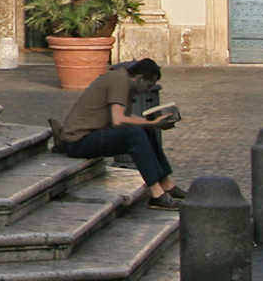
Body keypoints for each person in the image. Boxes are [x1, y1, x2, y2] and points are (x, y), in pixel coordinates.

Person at [54, 57, 185, 209]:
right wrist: (152, 123)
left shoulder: (124, 80)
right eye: (149, 86)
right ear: (140, 78)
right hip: (77, 142)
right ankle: (156, 194)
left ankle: (167, 184)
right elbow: (117, 120)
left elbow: (125, 117)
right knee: (135, 135)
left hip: (91, 135)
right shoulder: (120, 81)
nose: (149, 91)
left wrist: (152, 124)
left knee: (144, 130)